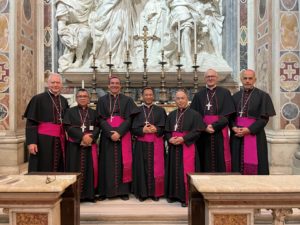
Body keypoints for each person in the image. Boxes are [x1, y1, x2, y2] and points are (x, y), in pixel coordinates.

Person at [96, 76, 137, 200]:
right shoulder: (102, 100)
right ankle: (105, 191)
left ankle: (123, 191)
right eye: (112, 83)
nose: (114, 85)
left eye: (117, 83)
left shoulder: (128, 100)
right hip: (107, 136)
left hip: (123, 135)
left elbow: (130, 119)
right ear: (108, 86)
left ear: (121, 86)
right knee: (106, 163)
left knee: (123, 162)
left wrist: (119, 132)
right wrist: (110, 133)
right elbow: (100, 119)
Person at [230, 69, 275, 175]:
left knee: (257, 163)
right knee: (236, 162)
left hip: (255, 134)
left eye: (250, 78)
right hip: (237, 135)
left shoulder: (263, 96)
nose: (247, 81)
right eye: (245, 78)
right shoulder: (235, 97)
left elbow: (264, 118)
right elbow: (230, 117)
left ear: (255, 80)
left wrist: (249, 130)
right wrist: (233, 127)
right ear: (241, 80)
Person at [165, 89, 205, 207]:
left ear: (187, 99)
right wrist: (169, 139)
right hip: (174, 148)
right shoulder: (172, 115)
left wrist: (184, 139)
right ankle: (173, 195)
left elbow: (198, 131)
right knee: (174, 170)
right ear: (175, 100)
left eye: (182, 98)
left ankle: (185, 197)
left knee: (185, 171)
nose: (180, 101)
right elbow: (167, 131)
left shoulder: (195, 114)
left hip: (187, 147)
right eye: (178, 98)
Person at [190, 69, 235, 173]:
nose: (210, 78)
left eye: (212, 76)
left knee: (220, 156)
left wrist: (214, 126)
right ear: (205, 78)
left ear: (217, 78)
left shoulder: (225, 93)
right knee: (204, 156)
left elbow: (227, 115)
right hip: (203, 133)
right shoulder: (199, 95)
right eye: (208, 76)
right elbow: (194, 116)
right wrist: (204, 127)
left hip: (219, 131)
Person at [23, 72, 69, 172]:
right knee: (43, 165)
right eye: (53, 82)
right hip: (42, 140)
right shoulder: (38, 99)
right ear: (48, 84)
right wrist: (31, 142)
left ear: (61, 85)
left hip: (59, 138)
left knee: (59, 165)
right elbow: (31, 123)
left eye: (58, 82)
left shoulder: (64, 100)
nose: (55, 85)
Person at [63, 89, 100, 202]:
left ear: (88, 99)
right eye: (80, 96)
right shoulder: (70, 112)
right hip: (75, 146)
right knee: (75, 169)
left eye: (85, 96)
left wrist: (91, 137)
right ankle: (75, 195)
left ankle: (89, 195)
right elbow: (68, 127)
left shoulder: (93, 113)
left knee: (90, 169)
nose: (82, 98)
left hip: (90, 145)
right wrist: (82, 137)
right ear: (76, 98)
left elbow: (98, 127)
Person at [131, 87, 167, 202]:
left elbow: (165, 127)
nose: (148, 97)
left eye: (150, 94)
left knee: (155, 168)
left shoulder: (160, 110)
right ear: (142, 96)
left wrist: (156, 129)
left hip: (156, 144)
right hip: (141, 145)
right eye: (146, 95)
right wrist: (143, 130)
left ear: (153, 96)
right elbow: (133, 128)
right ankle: (143, 193)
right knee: (141, 168)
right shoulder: (136, 110)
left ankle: (155, 193)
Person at [55, 0, 94, 70]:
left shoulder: (90, 2)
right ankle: (78, 59)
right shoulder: (64, 2)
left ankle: (81, 59)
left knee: (85, 32)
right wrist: (66, 34)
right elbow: (61, 25)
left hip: (88, 26)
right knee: (83, 33)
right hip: (71, 29)